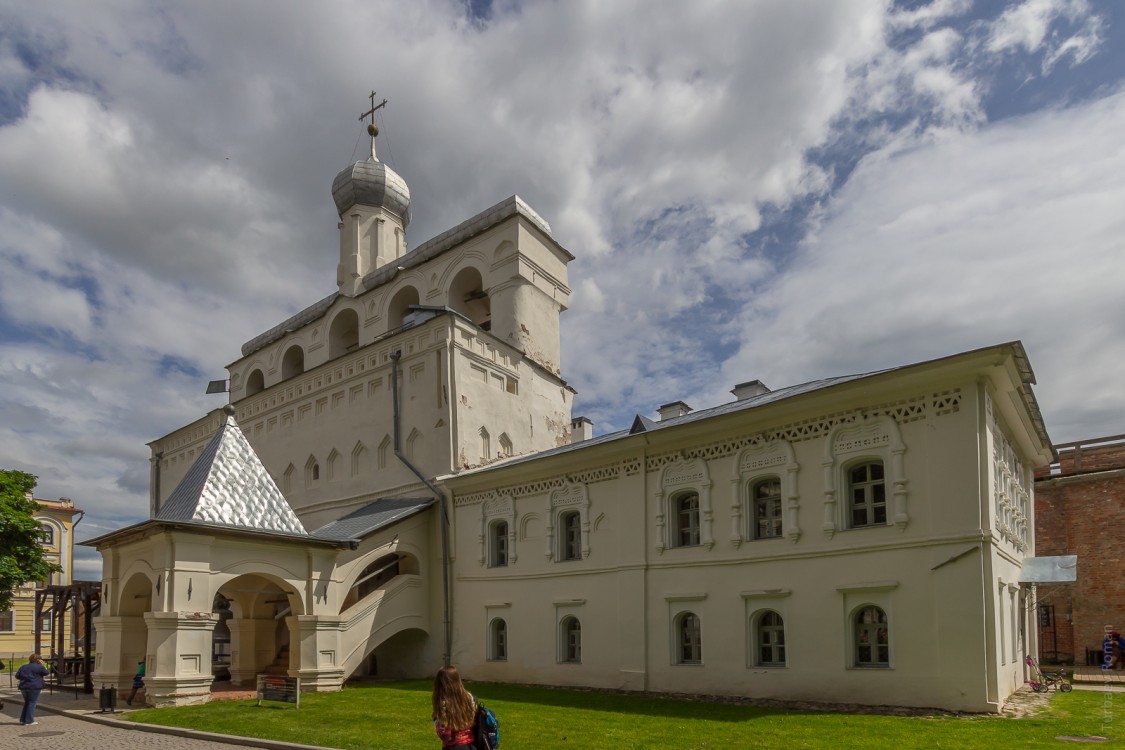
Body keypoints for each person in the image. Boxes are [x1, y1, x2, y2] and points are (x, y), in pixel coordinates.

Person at [432, 665, 478, 749]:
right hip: (471, 744)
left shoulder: (443, 704)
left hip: (453, 746)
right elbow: (474, 719)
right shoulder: (470, 697)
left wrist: (435, 720)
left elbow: (444, 733)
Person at [16, 653, 50, 725]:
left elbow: (17, 676)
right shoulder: (39, 667)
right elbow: (46, 673)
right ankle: (29, 720)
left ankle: (23, 719)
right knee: (32, 703)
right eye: (40, 659)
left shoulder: (23, 667)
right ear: (38, 660)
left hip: (24, 687)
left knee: (27, 702)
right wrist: (43, 665)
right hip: (34, 687)